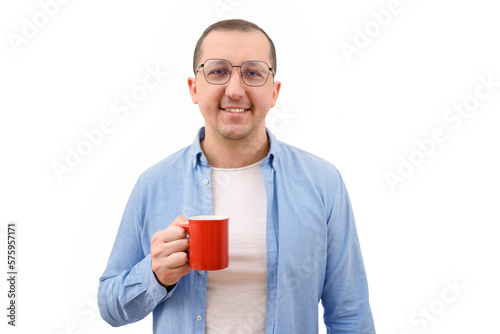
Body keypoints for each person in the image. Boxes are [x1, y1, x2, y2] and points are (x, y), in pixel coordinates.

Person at [98, 19, 375, 333]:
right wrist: (155, 274)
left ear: (274, 92)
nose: (235, 89)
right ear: (194, 88)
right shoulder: (154, 184)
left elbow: (350, 316)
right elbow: (110, 307)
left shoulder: (323, 183)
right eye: (218, 71)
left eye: (253, 73)